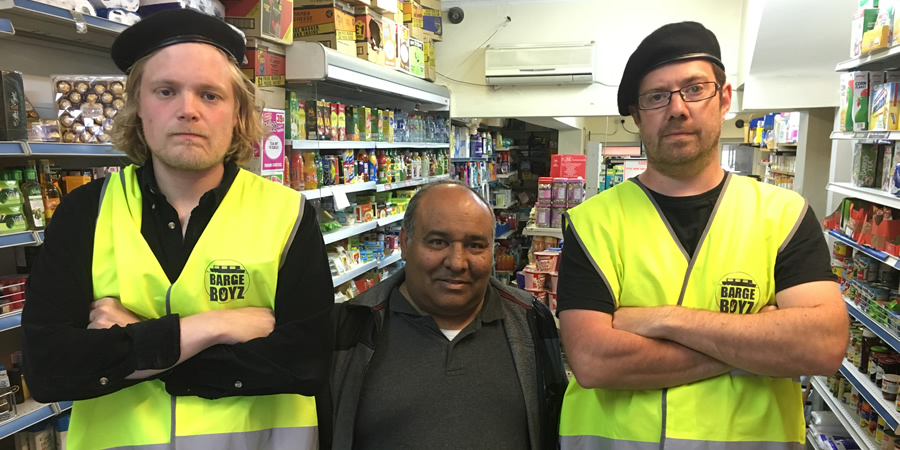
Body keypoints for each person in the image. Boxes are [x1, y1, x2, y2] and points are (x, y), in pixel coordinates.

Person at [21, 9, 333, 449]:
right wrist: (211, 328)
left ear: (238, 113)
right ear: (138, 106)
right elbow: (48, 370)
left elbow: (306, 361)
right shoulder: (84, 213)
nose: (188, 110)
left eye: (210, 95)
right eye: (166, 91)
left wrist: (134, 344)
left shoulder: (288, 215)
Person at [556, 21, 848, 449]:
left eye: (695, 89)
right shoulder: (591, 222)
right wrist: (755, 344)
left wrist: (663, 319)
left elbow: (822, 345)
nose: (677, 108)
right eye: (657, 97)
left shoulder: (782, 215)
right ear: (637, 116)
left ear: (724, 98)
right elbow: (594, 361)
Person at [323, 180, 567, 450]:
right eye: (438, 242)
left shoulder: (531, 321)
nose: (457, 262)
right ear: (404, 242)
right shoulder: (350, 327)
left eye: (475, 245)